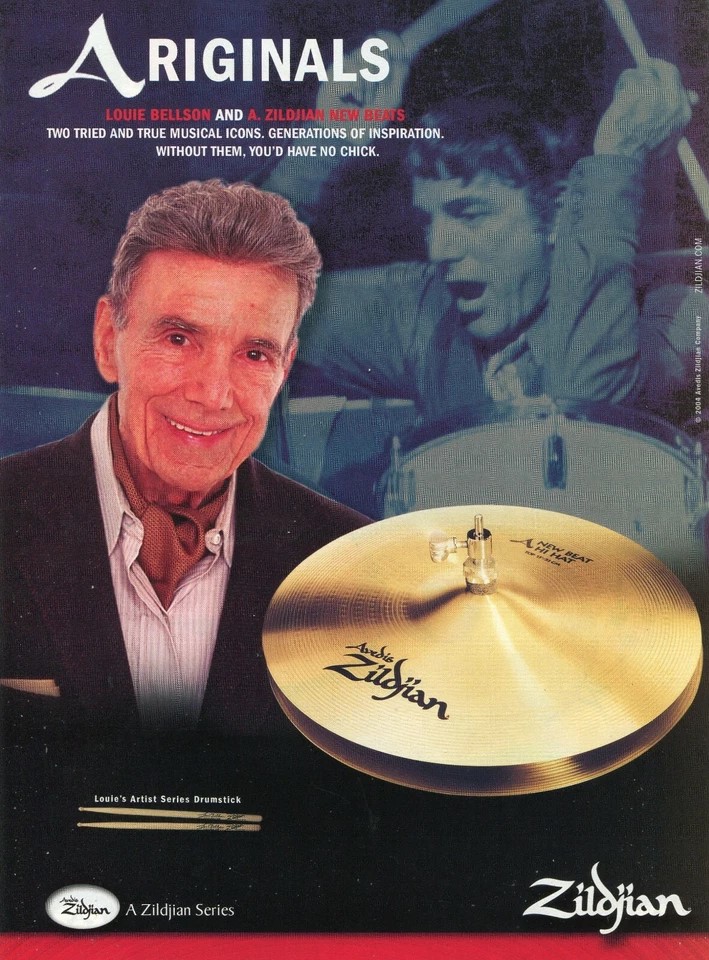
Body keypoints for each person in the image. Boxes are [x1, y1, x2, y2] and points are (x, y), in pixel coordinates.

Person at [0, 179, 367, 735]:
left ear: (285, 368)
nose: (213, 395)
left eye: (254, 353)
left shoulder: (351, 567)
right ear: (108, 339)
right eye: (178, 339)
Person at [265, 55, 697, 422]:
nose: (440, 249)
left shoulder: (673, 310)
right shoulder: (424, 311)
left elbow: (584, 398)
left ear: (555, 213)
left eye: (471, 215)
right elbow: (250, 294)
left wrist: (618, 160)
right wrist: (326, 140)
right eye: (428, 222)